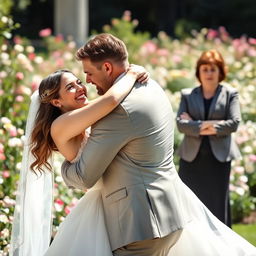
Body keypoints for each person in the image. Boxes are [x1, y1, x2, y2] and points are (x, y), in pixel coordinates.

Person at [60, 34, 255, 256]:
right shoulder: (149, 84)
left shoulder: (115, 113)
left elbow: (85, 177)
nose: (87, 81)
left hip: (141, 226)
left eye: (89, 73)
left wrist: (65, 165)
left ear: (107, 67)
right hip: (168, 214)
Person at [10, 65, 149, 256]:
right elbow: (111, 100)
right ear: (57, 102)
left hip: (118, 196)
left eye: (79, 82)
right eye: (70, 87)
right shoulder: (60, 126)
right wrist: (132, 73)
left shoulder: (85, 115)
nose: (80, 87)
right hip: (102, 208)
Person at [176, 49, 241, 227]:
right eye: (205, 69)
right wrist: (215, 125)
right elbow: (181, 125)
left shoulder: (230, 94)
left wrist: (196, 125)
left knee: (217, 205)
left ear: (220, 71)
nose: (209, 73)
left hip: (218, 160)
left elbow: (234, 124)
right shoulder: (187, 95)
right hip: (191, 159)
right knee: (189, 205)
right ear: (199, 72)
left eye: (213, 69)